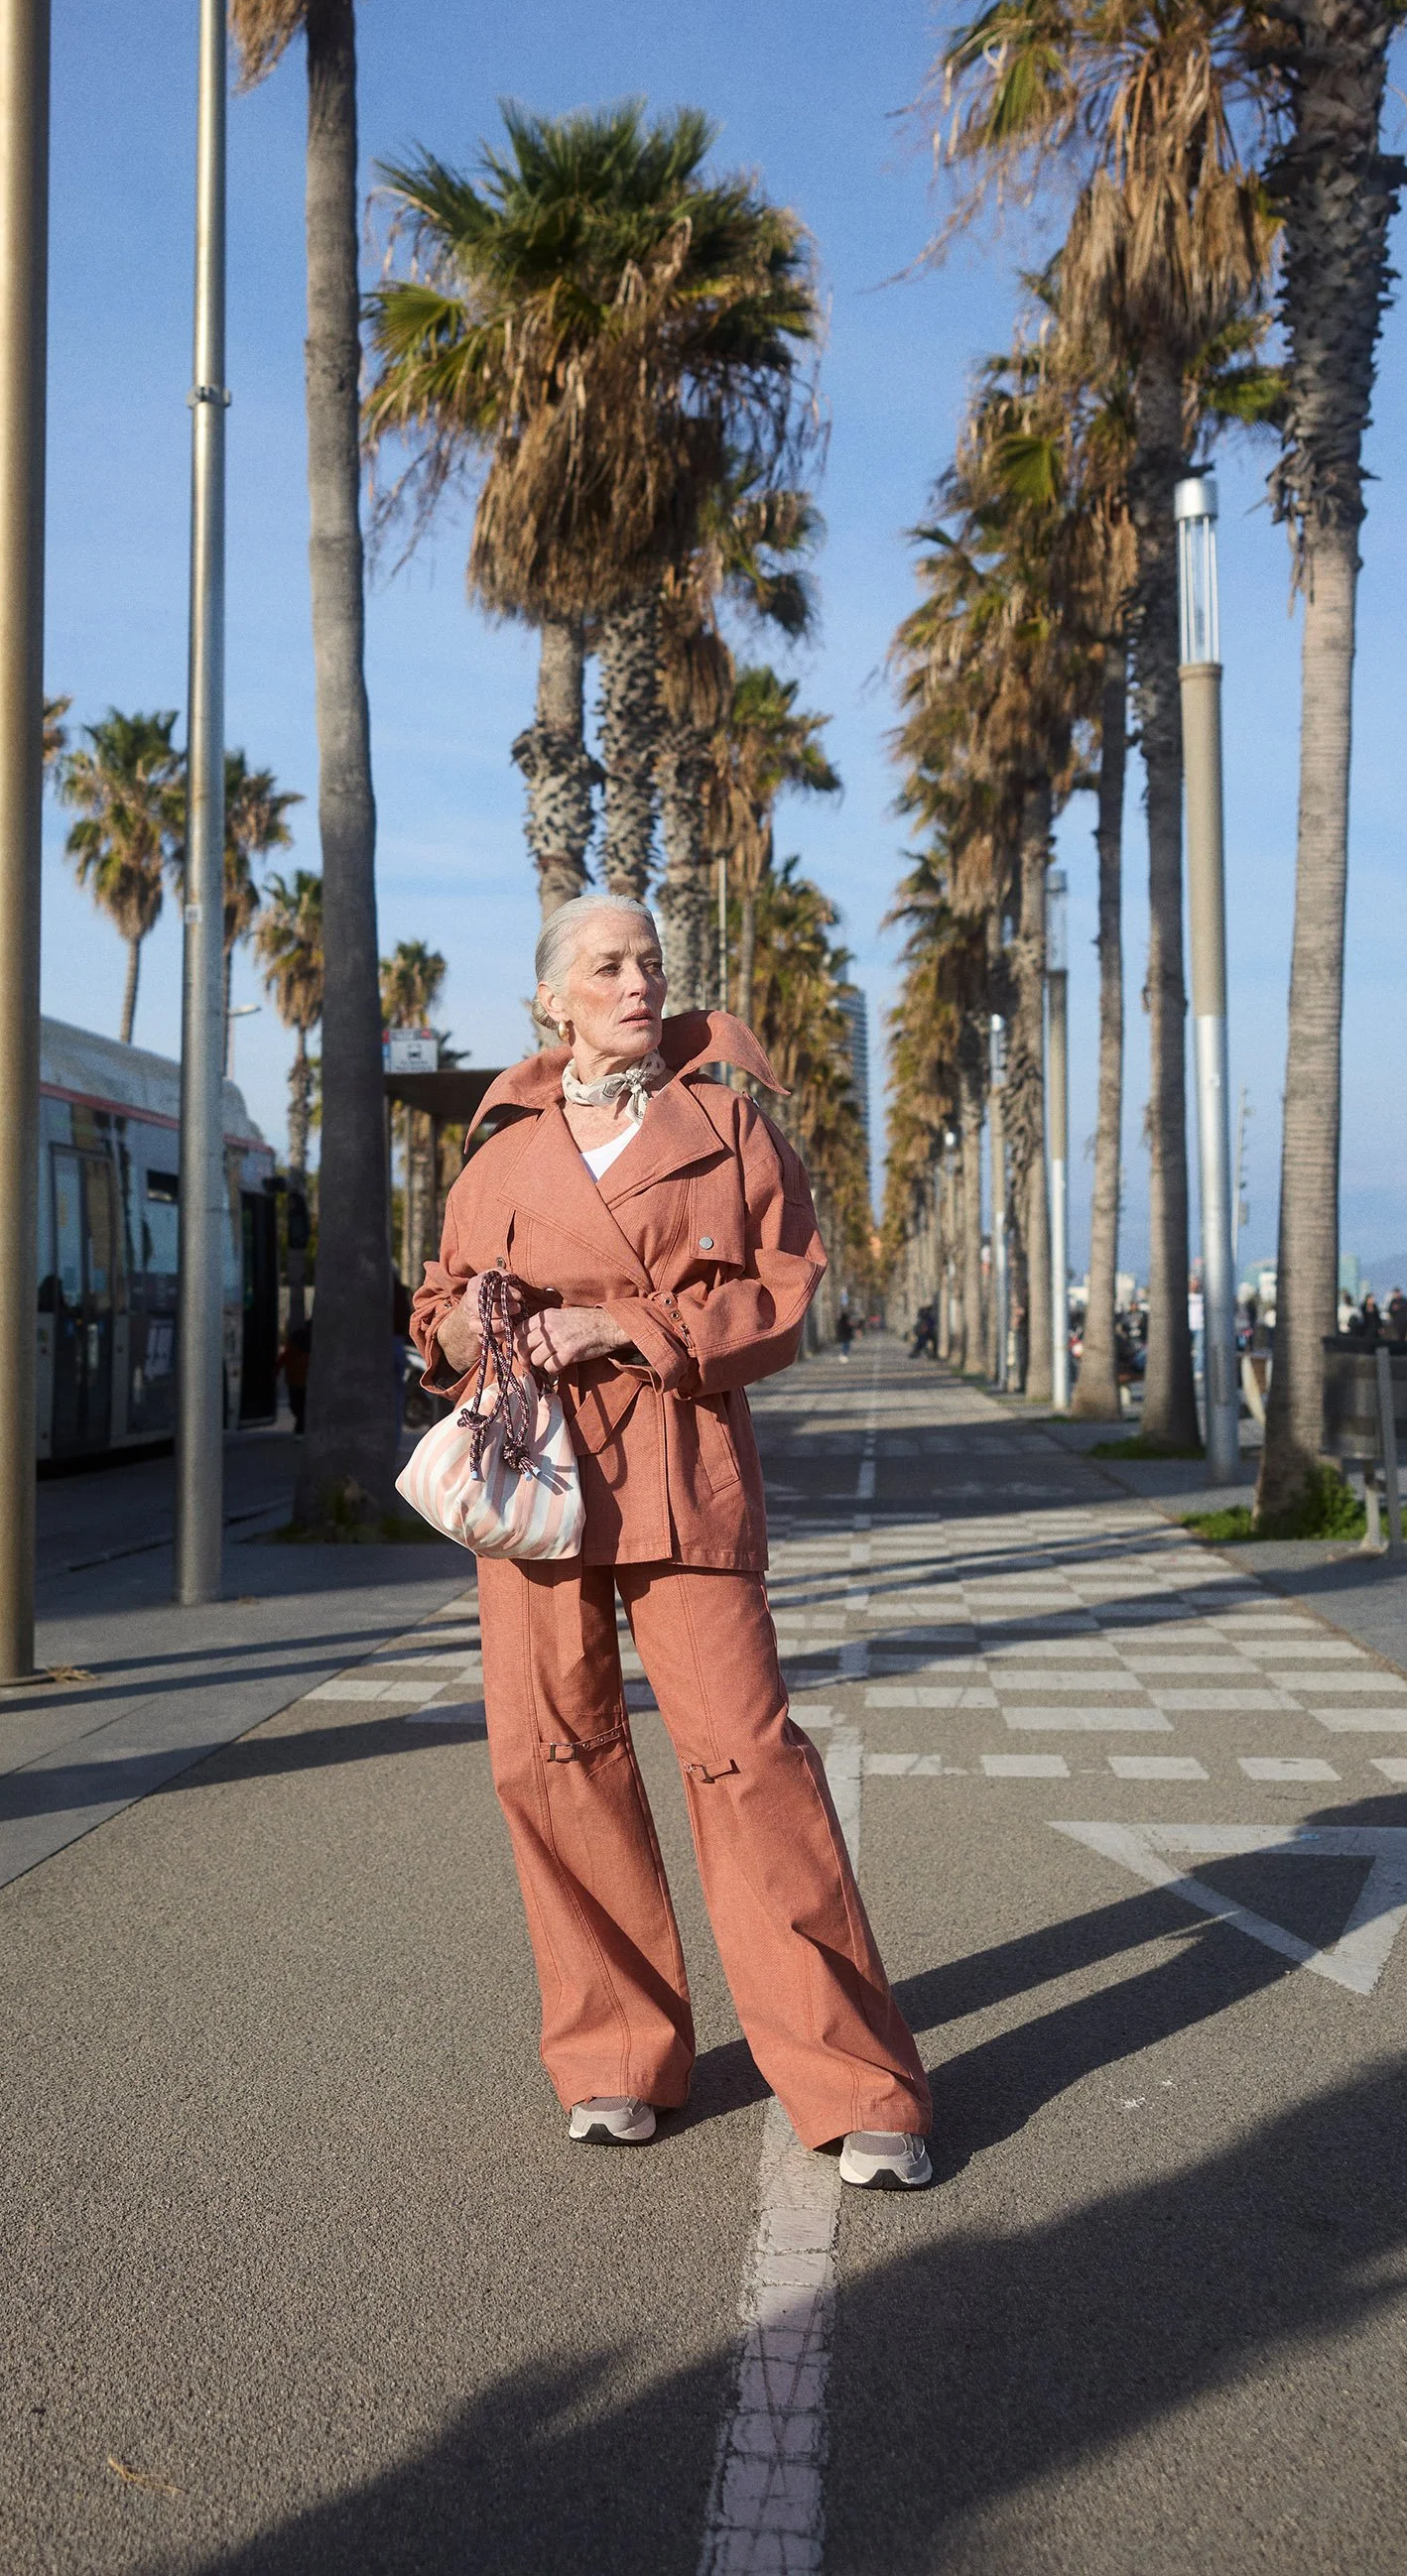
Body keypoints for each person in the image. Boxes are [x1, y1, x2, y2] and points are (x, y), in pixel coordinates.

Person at [412, 894, 933, 2190]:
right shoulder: (498, 1155)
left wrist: (630, 1327)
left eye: (649, 960)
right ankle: (613, 2056)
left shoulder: (731, 1127)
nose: (638, 980)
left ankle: (855, 2077)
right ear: (555, 1000)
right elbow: (433, 1315)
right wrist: (472, 1324)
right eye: (608, 964)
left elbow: (784, 1289)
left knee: (749, 1758)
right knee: (553, 1759)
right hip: (534, 1483)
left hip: (682, 1468)